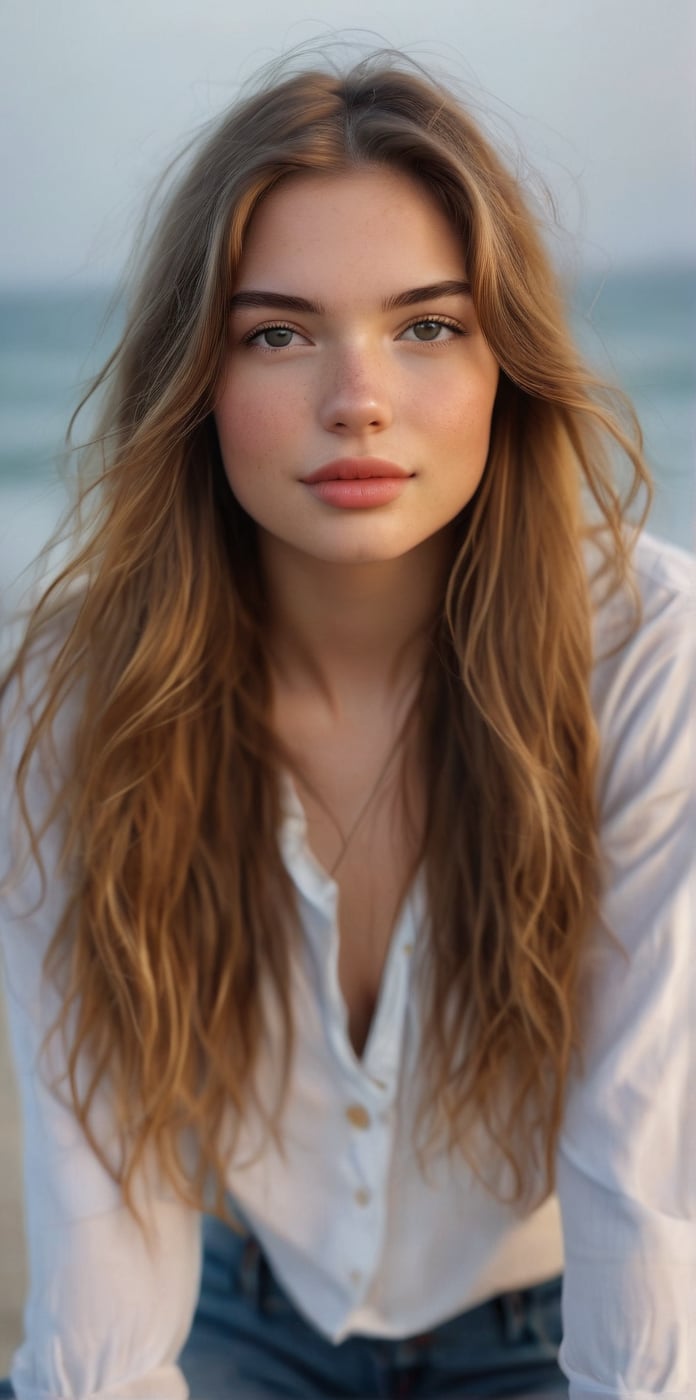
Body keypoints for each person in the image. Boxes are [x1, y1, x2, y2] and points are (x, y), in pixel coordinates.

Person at [0, 47, 694, 1400]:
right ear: (198, 378)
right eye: (279, 331)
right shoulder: (78, 692)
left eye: (428, 325)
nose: (357, 398)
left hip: (555, 1333)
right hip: (236, 1312)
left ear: (510, 364)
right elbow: (100, 1211)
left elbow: (644, 1178)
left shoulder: (651, 655)